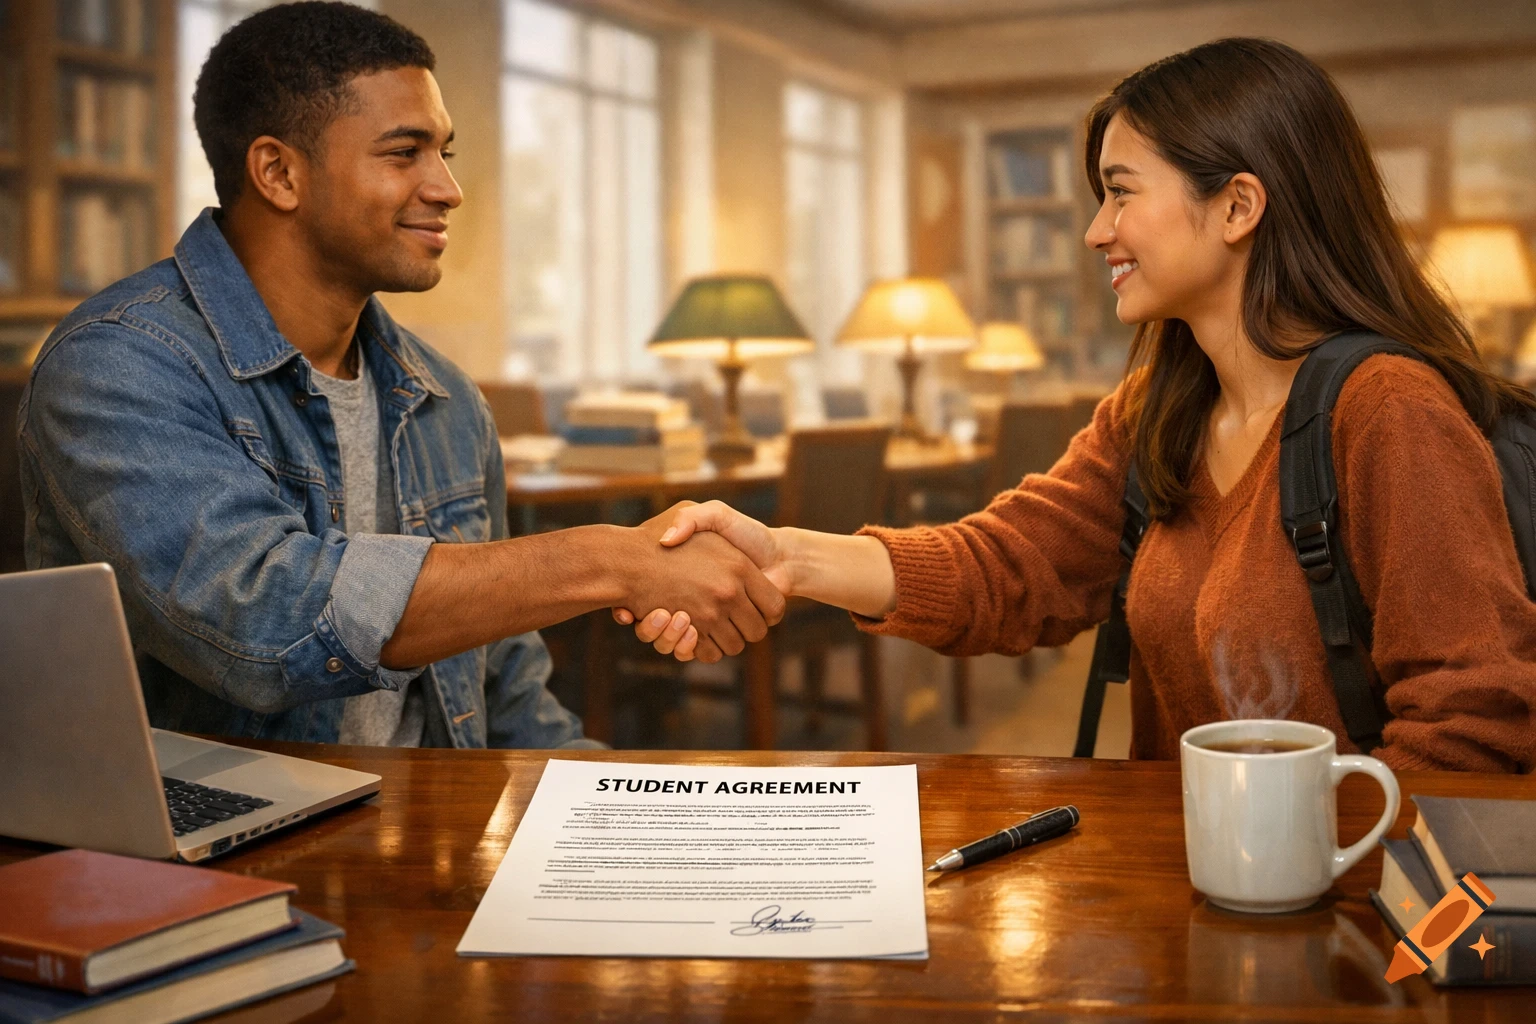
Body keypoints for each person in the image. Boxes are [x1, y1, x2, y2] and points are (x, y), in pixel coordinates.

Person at [619, 37, 1536, 773]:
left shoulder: (1388, 412)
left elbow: (1474, 727)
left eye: (1120, 193)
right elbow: (1008, 566)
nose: (1097, 230)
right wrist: (783, 556)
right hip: (1199, 902)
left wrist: (1322, 872)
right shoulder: (1158, 410)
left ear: (1238, 206)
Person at [18, 1, 783, 750]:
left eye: (445, 152)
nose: (447, 187)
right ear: (278, 172)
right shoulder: (118, 363)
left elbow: (504, 691)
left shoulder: (445, 399)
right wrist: (613, 560)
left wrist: (620, 809)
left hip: (426, 842)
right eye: (403, 152)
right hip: (207, 863)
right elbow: (265, 618)